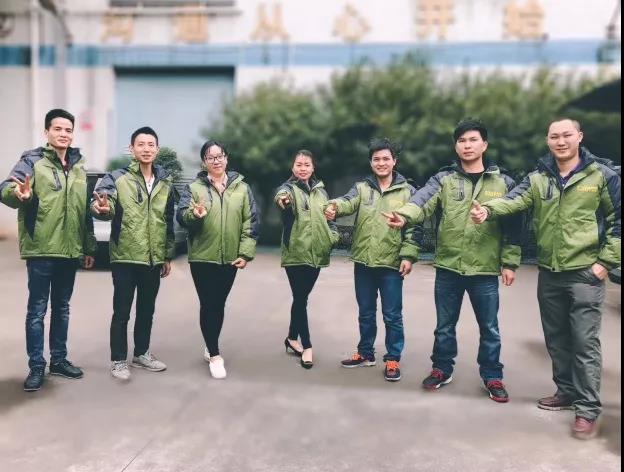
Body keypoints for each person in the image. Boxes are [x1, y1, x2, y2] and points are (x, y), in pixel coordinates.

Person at [470, 118, 621, 438]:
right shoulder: (538, 178)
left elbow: (618, 219)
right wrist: (487, 210)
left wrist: (605, 263)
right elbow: (514, 199)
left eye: (567, 135)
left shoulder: (601, 175)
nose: (561, 141)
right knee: (557, 339)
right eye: (554, 136)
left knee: (584, 343)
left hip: (585, 273)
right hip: (550, 273)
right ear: (547, 140)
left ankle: (587, 409)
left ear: (580, 136)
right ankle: (566, 392)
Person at [383, 118, 522, 402]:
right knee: (444, 326)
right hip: (449, 267)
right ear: (456, 146)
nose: (467, 145)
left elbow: (513, 223)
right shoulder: (444, 179)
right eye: (461, 141)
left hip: (484, 269)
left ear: (484, 144)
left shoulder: (503, 182)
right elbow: (422, 201)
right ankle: (441, 368)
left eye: (473, 140)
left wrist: (509, 262)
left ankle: (492, 375)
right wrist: (404, 215)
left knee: (489, 328)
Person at [0, 108, 96, 392]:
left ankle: (59, 360)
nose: (63, 134)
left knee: (62, 308)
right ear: (46, 132)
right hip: (41, 248)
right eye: (58, 129)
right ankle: (36, 366)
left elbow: (83, 210)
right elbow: (6, 189)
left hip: (70, 250)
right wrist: (19, 194)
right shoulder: (32, 161)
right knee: (37, 310)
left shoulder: (78, 167)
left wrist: (88, 246)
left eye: (68, 130)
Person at [324, 138, 420, 382]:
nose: (381, 163)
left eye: (386, 158)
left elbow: (413, 226)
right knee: (366, 312)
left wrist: (408, 255)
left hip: (391, 264)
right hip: (364, 262)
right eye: (376, 159)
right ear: (371, 163)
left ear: (394, 161)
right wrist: (334, 206)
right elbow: (347, 202)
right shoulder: (362, 188)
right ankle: (366, 353)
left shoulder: (407, 191)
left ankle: (393, 358)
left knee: (392, 315)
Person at [91, 126, 174, 381]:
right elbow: (103, 204)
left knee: (147, 310)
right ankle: (118, 360)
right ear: (132, 148)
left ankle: (141, 354)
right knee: (122, 312)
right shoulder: (117, 178)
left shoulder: (165, 182)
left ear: (157, 149)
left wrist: (167, 254)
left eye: (151, 145)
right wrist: (102, 208)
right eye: (141, 144)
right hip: (125, 256)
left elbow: (167, 220)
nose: (146, 149)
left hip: (152, 258)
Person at [177, 139, 259, 379]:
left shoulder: (242, 188)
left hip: (230, 258)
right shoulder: (194, 188)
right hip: (202, 257)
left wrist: (245, 253)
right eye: (210, 157)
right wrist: (195, 215)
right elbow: (182, 216)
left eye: (219, 156)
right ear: (204, 162)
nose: (216, 161)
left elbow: (250, 221)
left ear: (226, 158)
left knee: (219, 304)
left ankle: (209, 342)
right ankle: (214, 354)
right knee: (208, 303)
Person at [275, 150, 340, 369]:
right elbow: (282, 199)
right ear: (292, 167)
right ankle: (307, 346)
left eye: (307, 165)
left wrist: (332, 237)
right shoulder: (288, 189)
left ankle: (291, 338)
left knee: (300, 298)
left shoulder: (321, 192)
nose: (302, 168)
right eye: (298, 164)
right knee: (301, 298)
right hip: (295, 253)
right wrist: (283, 201)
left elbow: (330, 218)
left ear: (313, 168)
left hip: (318, 253)